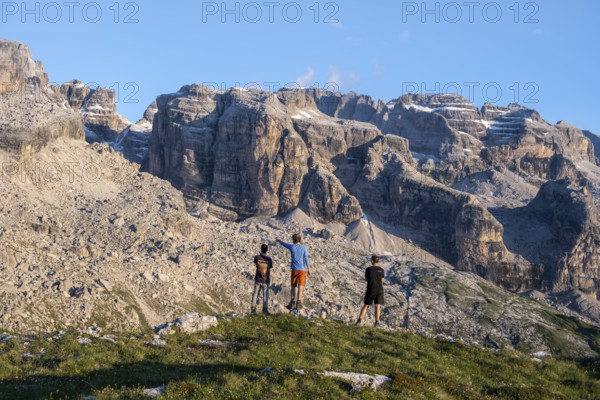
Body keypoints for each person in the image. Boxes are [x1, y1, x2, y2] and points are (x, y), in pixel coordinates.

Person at [277, 233, 311, 311]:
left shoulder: (292, 247)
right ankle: (298, 303)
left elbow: (285, 244)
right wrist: (309, 268)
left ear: (293, 240)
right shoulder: (304, 248)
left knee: (293, 286)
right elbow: (306, 258)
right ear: (300, 239)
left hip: (294, 270)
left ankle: (292, 303)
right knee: (301, 286)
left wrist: (279, 241)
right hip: (302, 270)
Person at [356, 255, 385, 327]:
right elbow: (382, 280)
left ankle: (360, 320)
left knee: (366, 304)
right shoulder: (381, 270)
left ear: (372, 261)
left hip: (371, 289)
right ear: (378, 261)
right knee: (377, 305)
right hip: (379, 289)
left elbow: (366, 279)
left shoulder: (368, 269)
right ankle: (377, 322)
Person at [251, 244, 273, 314]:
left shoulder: (257, 257)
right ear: (267, 250)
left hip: (258, 279)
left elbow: (255, 263)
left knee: (255, 294)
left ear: (261, 249)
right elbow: (270, 267)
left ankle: (253, 309)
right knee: (265, 295)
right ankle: (265, 310)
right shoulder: (269, 259)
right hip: (266, 280)